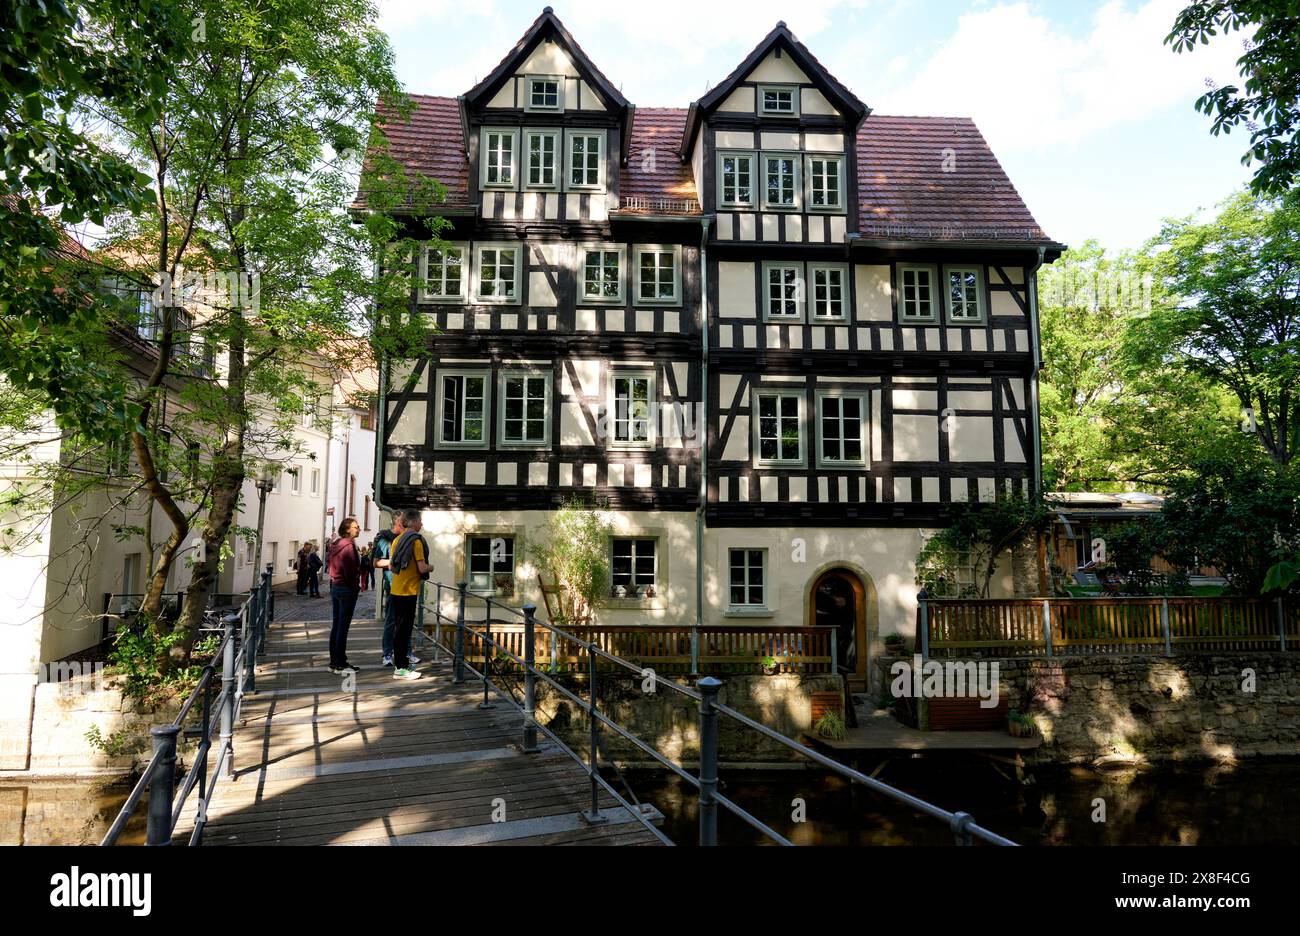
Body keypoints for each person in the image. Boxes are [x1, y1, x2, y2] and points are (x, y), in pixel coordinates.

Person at [388, 508, 431, 681]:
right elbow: (422, 568)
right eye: (420, 521)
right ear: (413, 522)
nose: (422, 524)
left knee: (399, 630)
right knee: (404, 631)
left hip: (396, 589)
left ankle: (402, 662)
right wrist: (431, 567)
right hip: (408, 591)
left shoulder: (397, 539)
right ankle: (400, 668)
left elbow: (392, 566)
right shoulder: (416, 541)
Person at [373, 515, 418, 667]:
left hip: (407, 586)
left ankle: (407, 652)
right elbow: (376, 562)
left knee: (406, 622)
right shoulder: (384, 539)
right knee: (391, 620)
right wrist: (394, 562)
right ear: (398, 522)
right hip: (392, 584)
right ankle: (387, 653)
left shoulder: (407, 538)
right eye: (404, 521)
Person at [326, 518, 363, 674]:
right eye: (356, 527)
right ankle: (341, 662)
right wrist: (356, 587)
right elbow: (350, 572)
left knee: (337, 625)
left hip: (336, 586)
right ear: (348, 530)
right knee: (343, 627)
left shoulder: (336, 545)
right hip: (346, 589)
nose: (359, 529)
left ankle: (334, 662)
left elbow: (331, 567)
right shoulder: (348, 547)